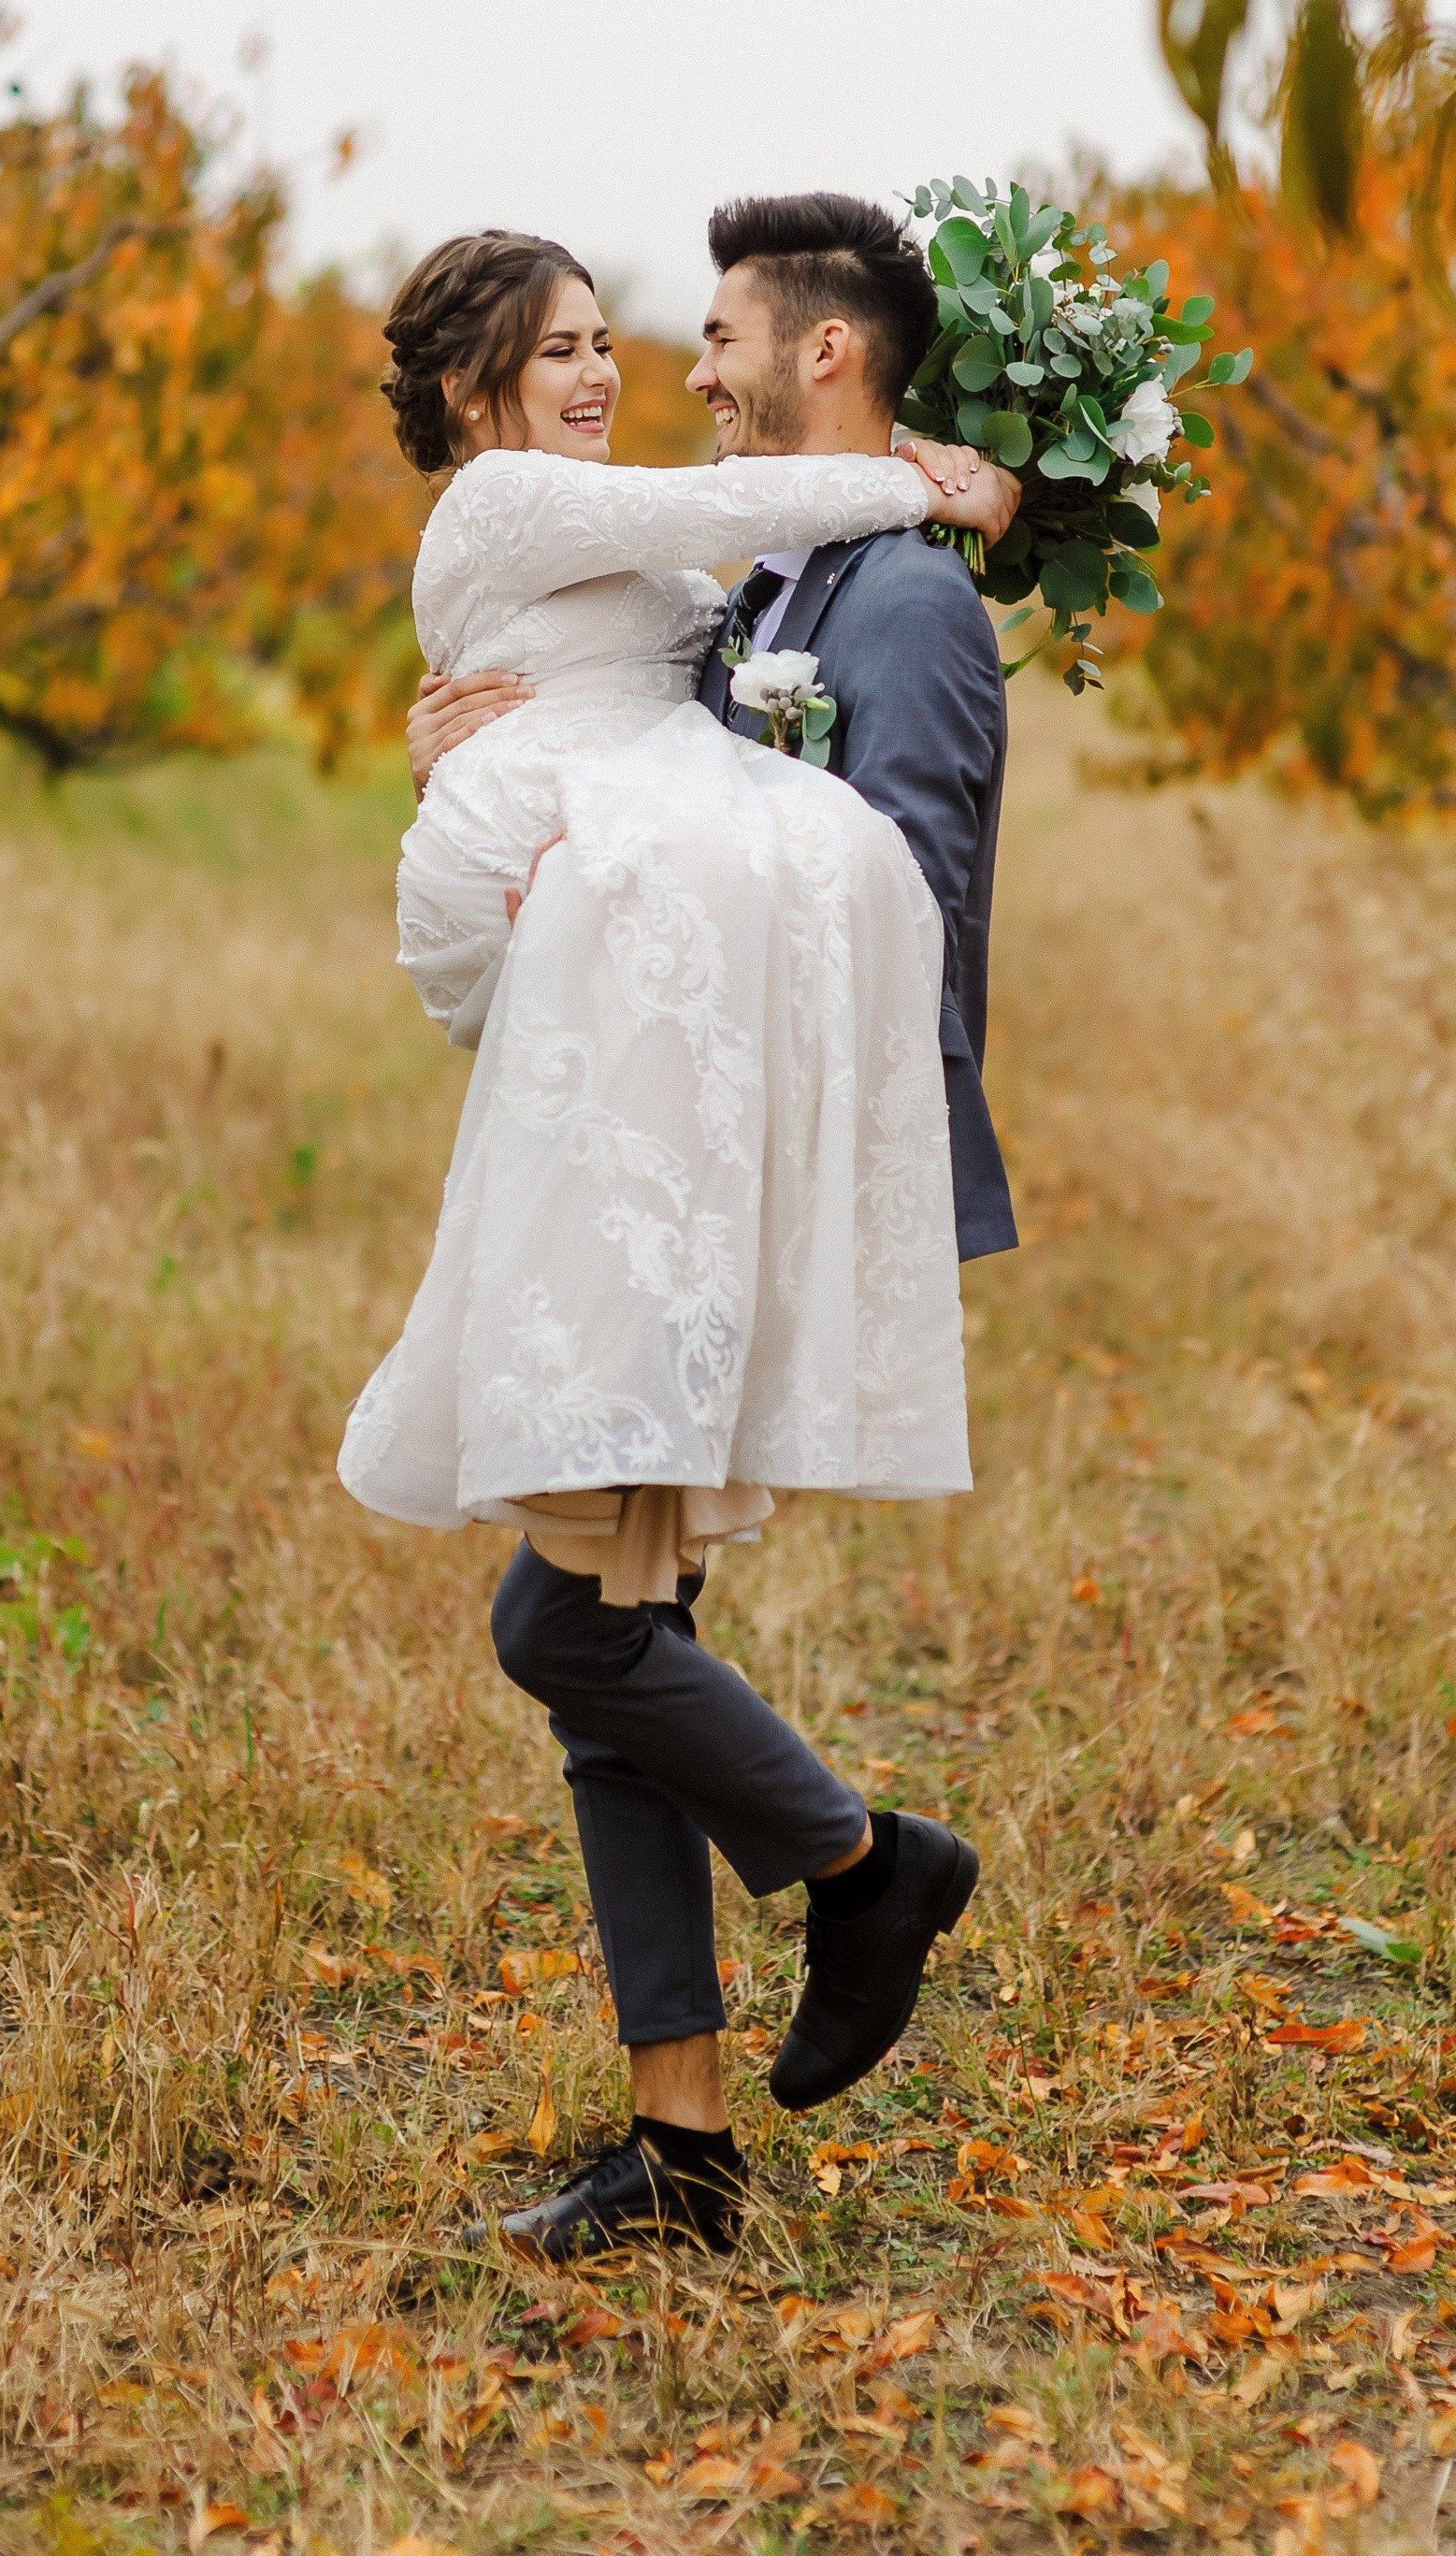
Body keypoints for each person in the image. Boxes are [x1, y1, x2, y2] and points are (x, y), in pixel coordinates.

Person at [342, 216, 1020, 2263]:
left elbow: (874, 839)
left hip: (693, 1125)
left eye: (632, 340)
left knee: (573, 1626)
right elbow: (699, 595)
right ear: (475, 395)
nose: (619, 370)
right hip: (626, 1102)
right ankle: (691, 2138)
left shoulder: (802, 591)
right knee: (601, 1638)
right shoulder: (590, 526)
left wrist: (931, 496)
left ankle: (860, 1858)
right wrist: (505, 756)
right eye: (559, 346)